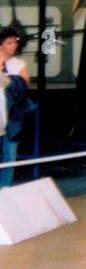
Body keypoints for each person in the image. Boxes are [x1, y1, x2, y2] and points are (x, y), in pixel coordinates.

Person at [0, 26, 32, 187]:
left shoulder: (18, 63)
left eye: (15, 42)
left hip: (12, 117)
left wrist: (10, 81)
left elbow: (25, 83)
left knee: (10, 155)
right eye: (9, 43)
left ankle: (4, 188)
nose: (14, 46)